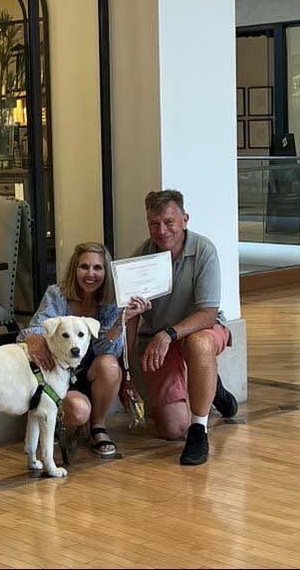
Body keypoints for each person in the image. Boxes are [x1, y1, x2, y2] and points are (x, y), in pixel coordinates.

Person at [129, 189, 238, 466]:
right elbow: (129, 318)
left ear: (185, 219)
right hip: (157, 340)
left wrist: (170, 334)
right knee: (172, 429)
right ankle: (213, 388)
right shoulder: (139, 259)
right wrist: (127, 368)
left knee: (198, 343)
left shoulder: (204, 251)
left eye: (169, 222)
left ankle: (199, 430)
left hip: (199, 331)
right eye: (154, 223)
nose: (162, 230)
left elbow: (208, 313)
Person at [17, 241, 149, 457]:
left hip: (91, 373)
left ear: (106, 272)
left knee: (109, 364)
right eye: (84, 267)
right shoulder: (57, 295)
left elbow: (107, 349)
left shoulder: (111, 302)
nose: (90, 274)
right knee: (79, 411)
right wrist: (33, 337)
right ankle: (67, 426)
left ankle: (98, 427)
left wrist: (121, 321)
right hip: (59, 376)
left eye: (97, 268)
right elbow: (33, 329)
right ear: (74, 269)